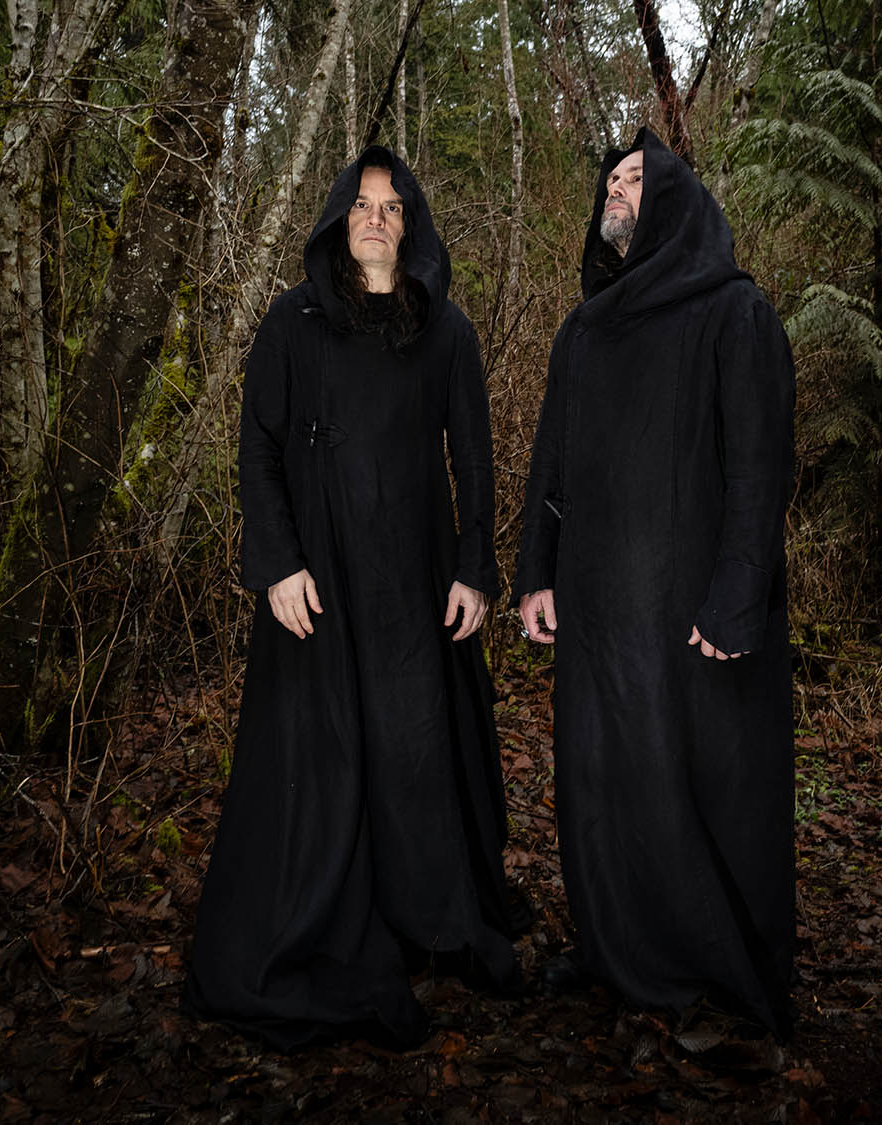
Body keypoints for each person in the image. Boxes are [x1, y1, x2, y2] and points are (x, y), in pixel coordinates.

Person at [183, 147, 520, 1051]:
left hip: (414, 582)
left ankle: (430, 917)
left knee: (415, 749)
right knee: (325, 755)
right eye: (363, 204)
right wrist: (276, 562)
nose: (377, 218)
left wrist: (474, 565)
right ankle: (328, 923)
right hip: (319, 587)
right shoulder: (291, 324)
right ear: (340, 219)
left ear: (411, 224)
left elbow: (475, 458)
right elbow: (257, 448)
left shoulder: (446, 330)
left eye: (393, 206)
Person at [514, 128, 797, 1036]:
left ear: (677, 199)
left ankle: (713, 969)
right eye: (612, 180)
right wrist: (534, 574)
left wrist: (737, 596)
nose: (619, 191)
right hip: (598, 619)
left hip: (691, 625)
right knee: (600, 782)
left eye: (638, 178)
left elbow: (761, 469)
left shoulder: (735, 313)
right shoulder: (583, 331)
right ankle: (613, 949)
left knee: (700, 788)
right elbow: (549, 466)